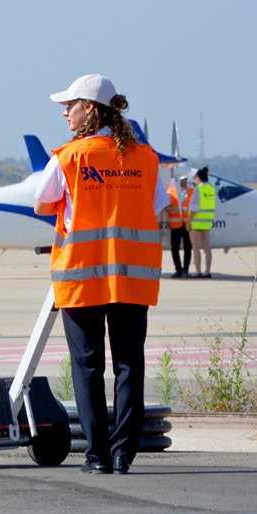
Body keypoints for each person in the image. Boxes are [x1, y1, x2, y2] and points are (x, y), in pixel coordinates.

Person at [33, 74, 167, 475]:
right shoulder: (145, 158)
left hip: (81, 277)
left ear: (89, 108)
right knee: (129, 365)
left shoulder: (69, 157)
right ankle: (125, 454)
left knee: (88, 367)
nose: (64, 111)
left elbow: (42, 203)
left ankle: (97, 457)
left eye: (70, 104)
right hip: (132, 278)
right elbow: (157, 206)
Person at [188, 166, 215, 278]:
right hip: (207, 223)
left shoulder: (198, 190)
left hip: (196, 223)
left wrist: (189, 222)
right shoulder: (211, 190)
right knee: (207, 248)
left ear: (198, 178)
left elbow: (194, 209)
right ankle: (207, 271)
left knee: (196, 248)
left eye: (195, 178)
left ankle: (198, 272)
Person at [165, 175, 192, 277]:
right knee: (174, 248)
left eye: (185, 179)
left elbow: (195, 205)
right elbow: (166, 208)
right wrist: (174, 209)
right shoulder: (170, 191)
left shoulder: (191, 191)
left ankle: (186, 270)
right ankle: (178, 269)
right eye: (181, 180)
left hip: (187, 224)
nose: (183, 181)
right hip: (175, 224)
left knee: (188, 248)